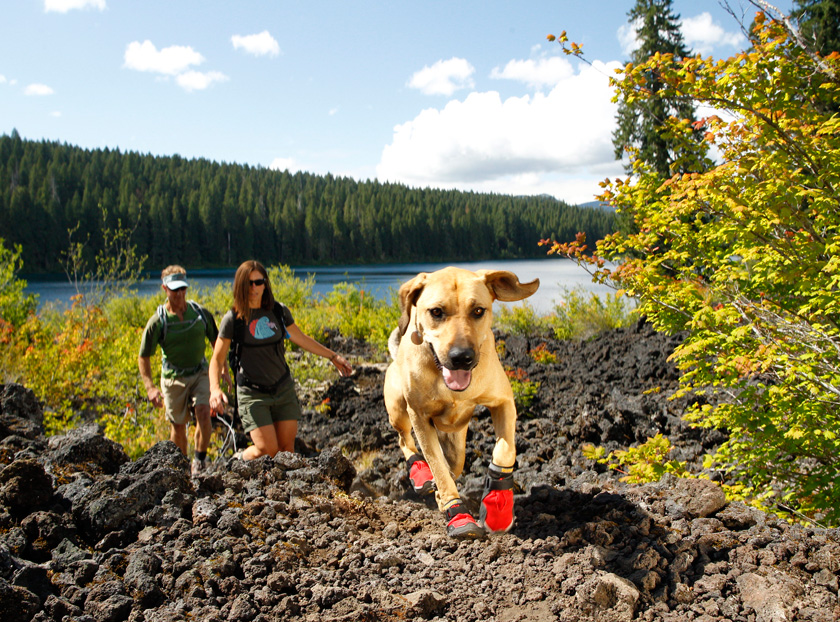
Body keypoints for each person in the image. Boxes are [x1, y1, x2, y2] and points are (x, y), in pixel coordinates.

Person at [209, 260, 353, 459]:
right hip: (253, 394)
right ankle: (239, 459)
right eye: (248, 283)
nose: (254, 288)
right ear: (240, 285)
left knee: (286, 450)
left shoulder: (278, 312)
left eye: (258, 282)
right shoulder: (233, 319)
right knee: (267, 450)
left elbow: (302, 339)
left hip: (282, 388)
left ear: (265, 284)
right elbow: (216, 359)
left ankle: (282, 488)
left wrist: (333, 356)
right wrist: (214, 389)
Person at [138, 265, 221, 476]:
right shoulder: (158, 322)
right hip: (173, 378)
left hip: (200, 372)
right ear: (164, 289)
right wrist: (150, 388)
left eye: (183, 288)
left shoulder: (200, 314)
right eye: (174, 289)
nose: (180, 294)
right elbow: (144, 356)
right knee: (178, 426)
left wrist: (222, 372)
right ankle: (183, 469)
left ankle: (199, 461)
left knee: (204, 412)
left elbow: (217, 342)